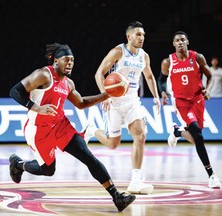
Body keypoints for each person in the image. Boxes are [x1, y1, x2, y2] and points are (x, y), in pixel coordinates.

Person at [8, 43, 136, 212]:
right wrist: (37, 108)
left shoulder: (68, 83)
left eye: (72, 60)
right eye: (66, 60)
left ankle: (116, 196)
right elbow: (15, 91)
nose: (70, 63)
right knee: (48, 170)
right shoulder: (43, 75)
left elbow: (81, 103)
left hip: (61, 126)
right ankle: (18, 164)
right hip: (39, 130)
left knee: (88, 157)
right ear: (55, 61)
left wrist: (107, 94)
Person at [84, 21, 161, 194]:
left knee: (140, 135)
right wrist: (104, 95)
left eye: (143, 35)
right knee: (113, 144)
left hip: (133, 101)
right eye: (138, 34)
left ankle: (135, 181)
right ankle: (90, 130)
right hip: (114, 102)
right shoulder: (118, 51)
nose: (142, 37)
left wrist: (156, 96)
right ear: (129, 36)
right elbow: (99, 73)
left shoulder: (144, 56)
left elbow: (149, 77)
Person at [157, 31, 221, 188]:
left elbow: (210, 76)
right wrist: (163, 92)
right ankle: (211, 175)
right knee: (198, 136)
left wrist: (208, 89)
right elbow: (161, 79)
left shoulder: (197, 57)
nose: (180, 42)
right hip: (181, 102)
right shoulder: (168, 62)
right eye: (177, 40)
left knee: (197, 136)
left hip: (198, 100)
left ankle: (177, 132)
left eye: (182, 40)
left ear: (187, 42)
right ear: (173, 44)